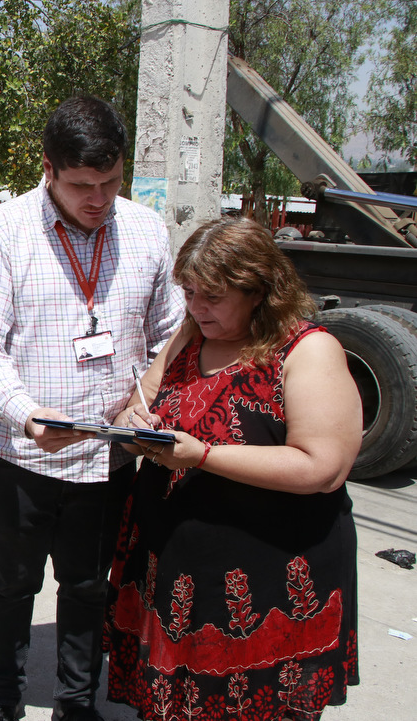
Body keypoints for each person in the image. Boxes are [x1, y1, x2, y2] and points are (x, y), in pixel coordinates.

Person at [0, 96, 184, 721]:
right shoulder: (1, 235)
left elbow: (171, 331)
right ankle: (2, 695)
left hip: (110, 456)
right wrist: (27, 413)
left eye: (111, 182)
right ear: (49, 169)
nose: (99, 199)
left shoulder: (145, 231)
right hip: (21, 455)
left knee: (88, 586)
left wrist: (149, 401)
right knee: (12, 581)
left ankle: (75, 700)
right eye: (83, 185)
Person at [104, 217, 361, 721]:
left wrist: (201, 455)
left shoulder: (307, 350)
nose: (197, 307)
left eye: (213, 296)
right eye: (190, 292)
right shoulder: (191, 333)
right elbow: (138, 403)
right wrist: (131, 420)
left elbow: (322, 467)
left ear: (260, 291)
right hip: (175, 572)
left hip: (268, 579)